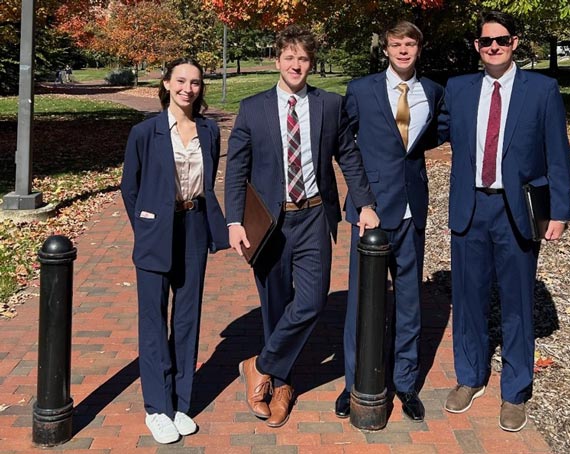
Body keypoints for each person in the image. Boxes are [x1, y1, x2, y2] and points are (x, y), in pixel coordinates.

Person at [225, 25, 379, 428]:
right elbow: (236, 168)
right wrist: (233, 221)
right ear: (277, 61)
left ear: (312, 64)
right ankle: (282, 386)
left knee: (311, 302)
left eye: (304, 58)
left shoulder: (329, 105)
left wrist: (363, 203)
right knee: (275, 307)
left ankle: (258, 366)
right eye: (289, 57)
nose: (296, 65)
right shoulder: (252, 108)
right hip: (270, 223)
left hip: (313, 215)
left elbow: (348, 155)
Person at [438, 11, 570, 432]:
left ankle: (515, 391)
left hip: (518, 209)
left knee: (516, 304)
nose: (493, 47)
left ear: (515, 43)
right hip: (470, 208)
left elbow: (557, 153)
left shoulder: (542, 90)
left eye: (500, 40)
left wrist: (560, 211)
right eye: (485, 41)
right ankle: (470, 377)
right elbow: (425, 132)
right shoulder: (458, 90)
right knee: (468, 300)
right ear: (477, 47)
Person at [337, 20, 444, 422]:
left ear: (419, 48)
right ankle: (355, 384)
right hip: (373, 212)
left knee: (410, 301)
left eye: (410, 44)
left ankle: (405, 383)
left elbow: (431, 137)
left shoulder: (432, 92)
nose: (403, 50)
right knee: (362, 300)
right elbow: (345, 146)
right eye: (396, 44)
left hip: (412, 207)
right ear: (386, 48)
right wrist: (362, 200)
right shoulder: (361, 90)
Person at [121, 57, 229, 443]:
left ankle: (181, 401)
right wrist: (146, 226)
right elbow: (129, 187)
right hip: (155, 232)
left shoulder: (209, 130)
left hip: (194, 226)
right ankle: (156, 407)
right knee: (153, 320)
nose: (188, 88)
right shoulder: (145, 132)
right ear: (166, 84)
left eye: (196, 82)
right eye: (181, 81)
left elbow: (209, 176)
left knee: (187, 318)